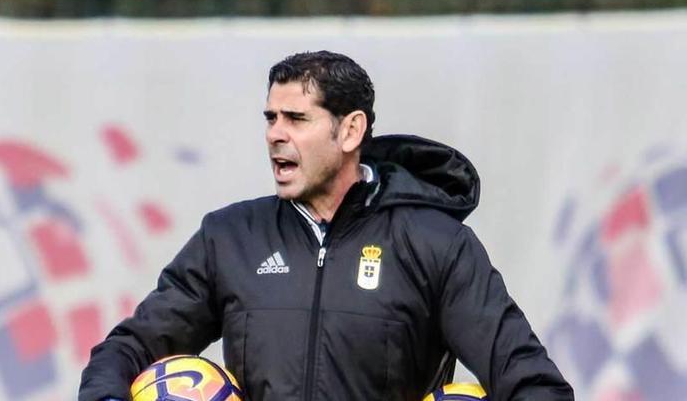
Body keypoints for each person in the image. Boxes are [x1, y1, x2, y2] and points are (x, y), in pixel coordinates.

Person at [79, 51, 573, 401]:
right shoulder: (229, 238)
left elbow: (530, 379)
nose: (275, 134)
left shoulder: (435, 243)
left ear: (350, 131)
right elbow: (129, 348)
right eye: (270, 117)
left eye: (296, 118)